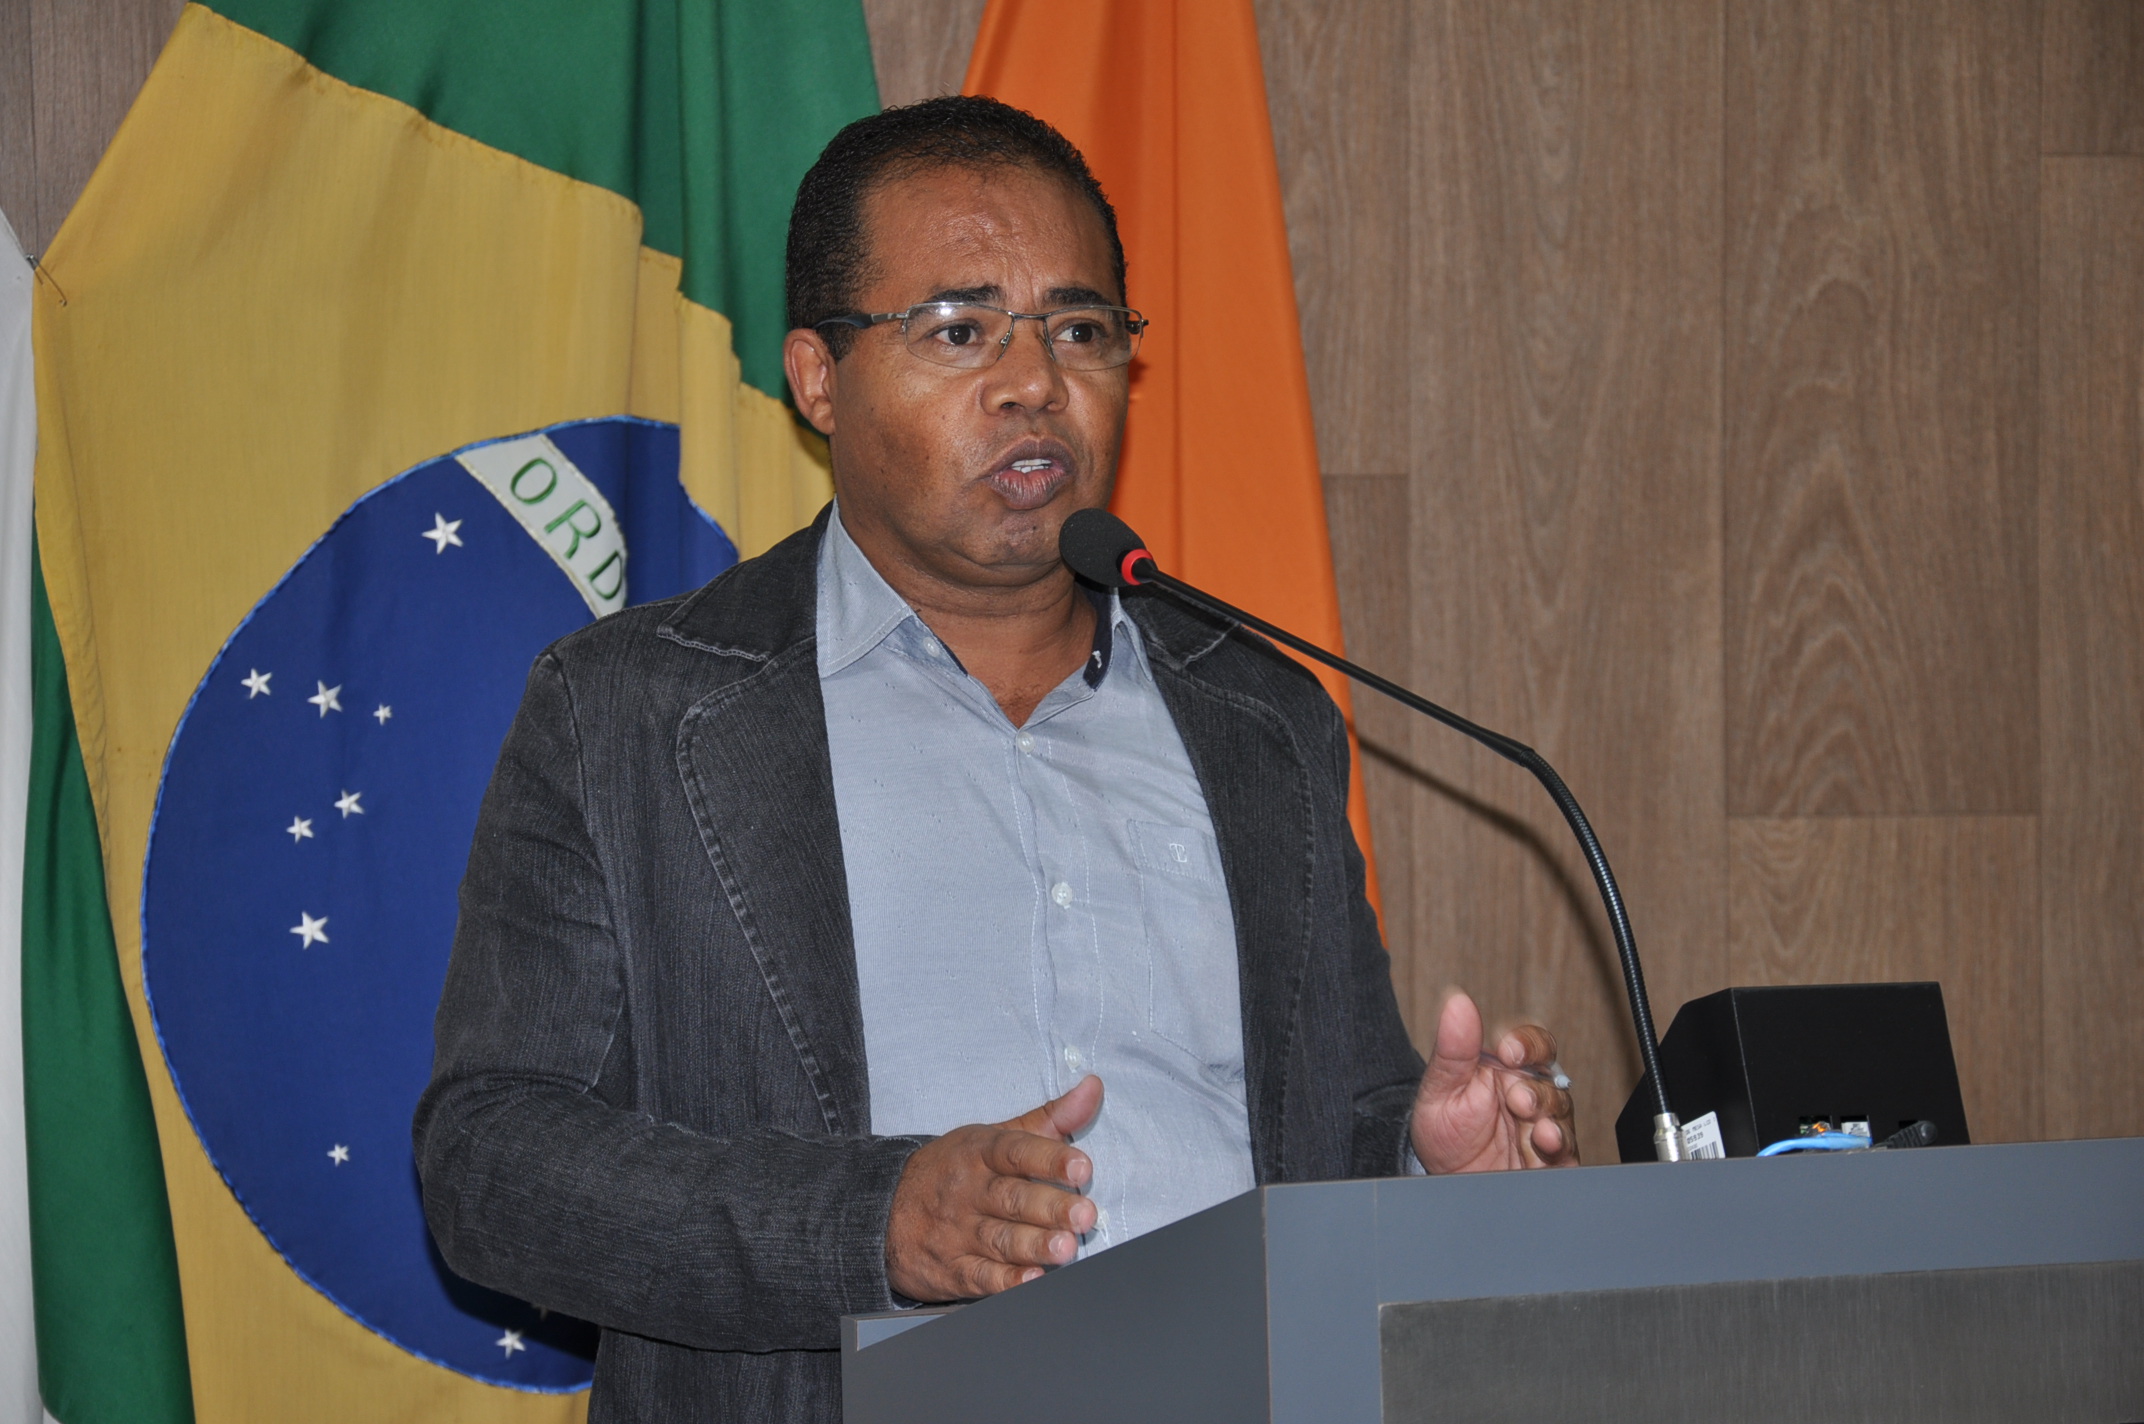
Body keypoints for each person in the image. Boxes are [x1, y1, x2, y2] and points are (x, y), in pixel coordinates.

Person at [414, 95, 1577, 1423]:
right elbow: (491, 1163)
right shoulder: (629, 713)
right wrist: (872, 1223)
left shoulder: (1261, 718)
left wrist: (1429, 1174)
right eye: (960, 330)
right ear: (818, 377)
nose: (1036, 385)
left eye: (1080, 331)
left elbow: (1327, 1125)